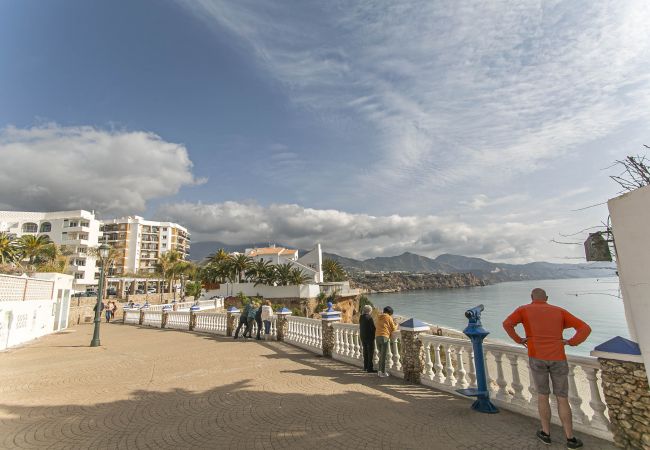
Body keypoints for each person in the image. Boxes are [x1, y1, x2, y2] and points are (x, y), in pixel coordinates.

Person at [503, 288, 591, 449]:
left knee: (543, 396)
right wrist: (571, 342)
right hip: (558, 357)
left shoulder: (524, 310)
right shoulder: (559, 311)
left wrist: (519, 340)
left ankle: (546, 433)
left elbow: (507, 324)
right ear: (547, 298)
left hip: (536, 356)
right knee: (562, 398)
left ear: (531, 298)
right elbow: (585, 328)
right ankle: (570, 438)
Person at [375, 306, 397, 378]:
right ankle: (382, 372)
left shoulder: (378, 317)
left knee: (381, 355)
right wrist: (397, 325)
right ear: (390, 312)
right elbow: (393, 328)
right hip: (384, 337)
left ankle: (379, 371)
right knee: (383, 356)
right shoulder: (388, 317)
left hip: (377, 337)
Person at [359, 304, 377, 373]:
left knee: (365, 352)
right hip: (369, 337)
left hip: (363, 337)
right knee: (370, 353)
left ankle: (365, 367)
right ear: (369, 311)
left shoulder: (361, 317)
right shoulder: (369, 318)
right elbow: (373, 328)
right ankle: (370, 368)